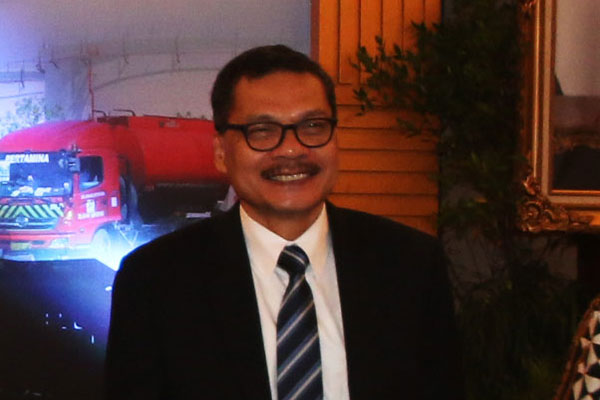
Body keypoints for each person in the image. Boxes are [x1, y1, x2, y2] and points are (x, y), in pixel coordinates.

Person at [105, 45, 463, 400]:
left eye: (312, 126)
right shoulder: (155, 282)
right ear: (221, 153)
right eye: (262, 130)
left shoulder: (411, 265)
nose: (292, 150)